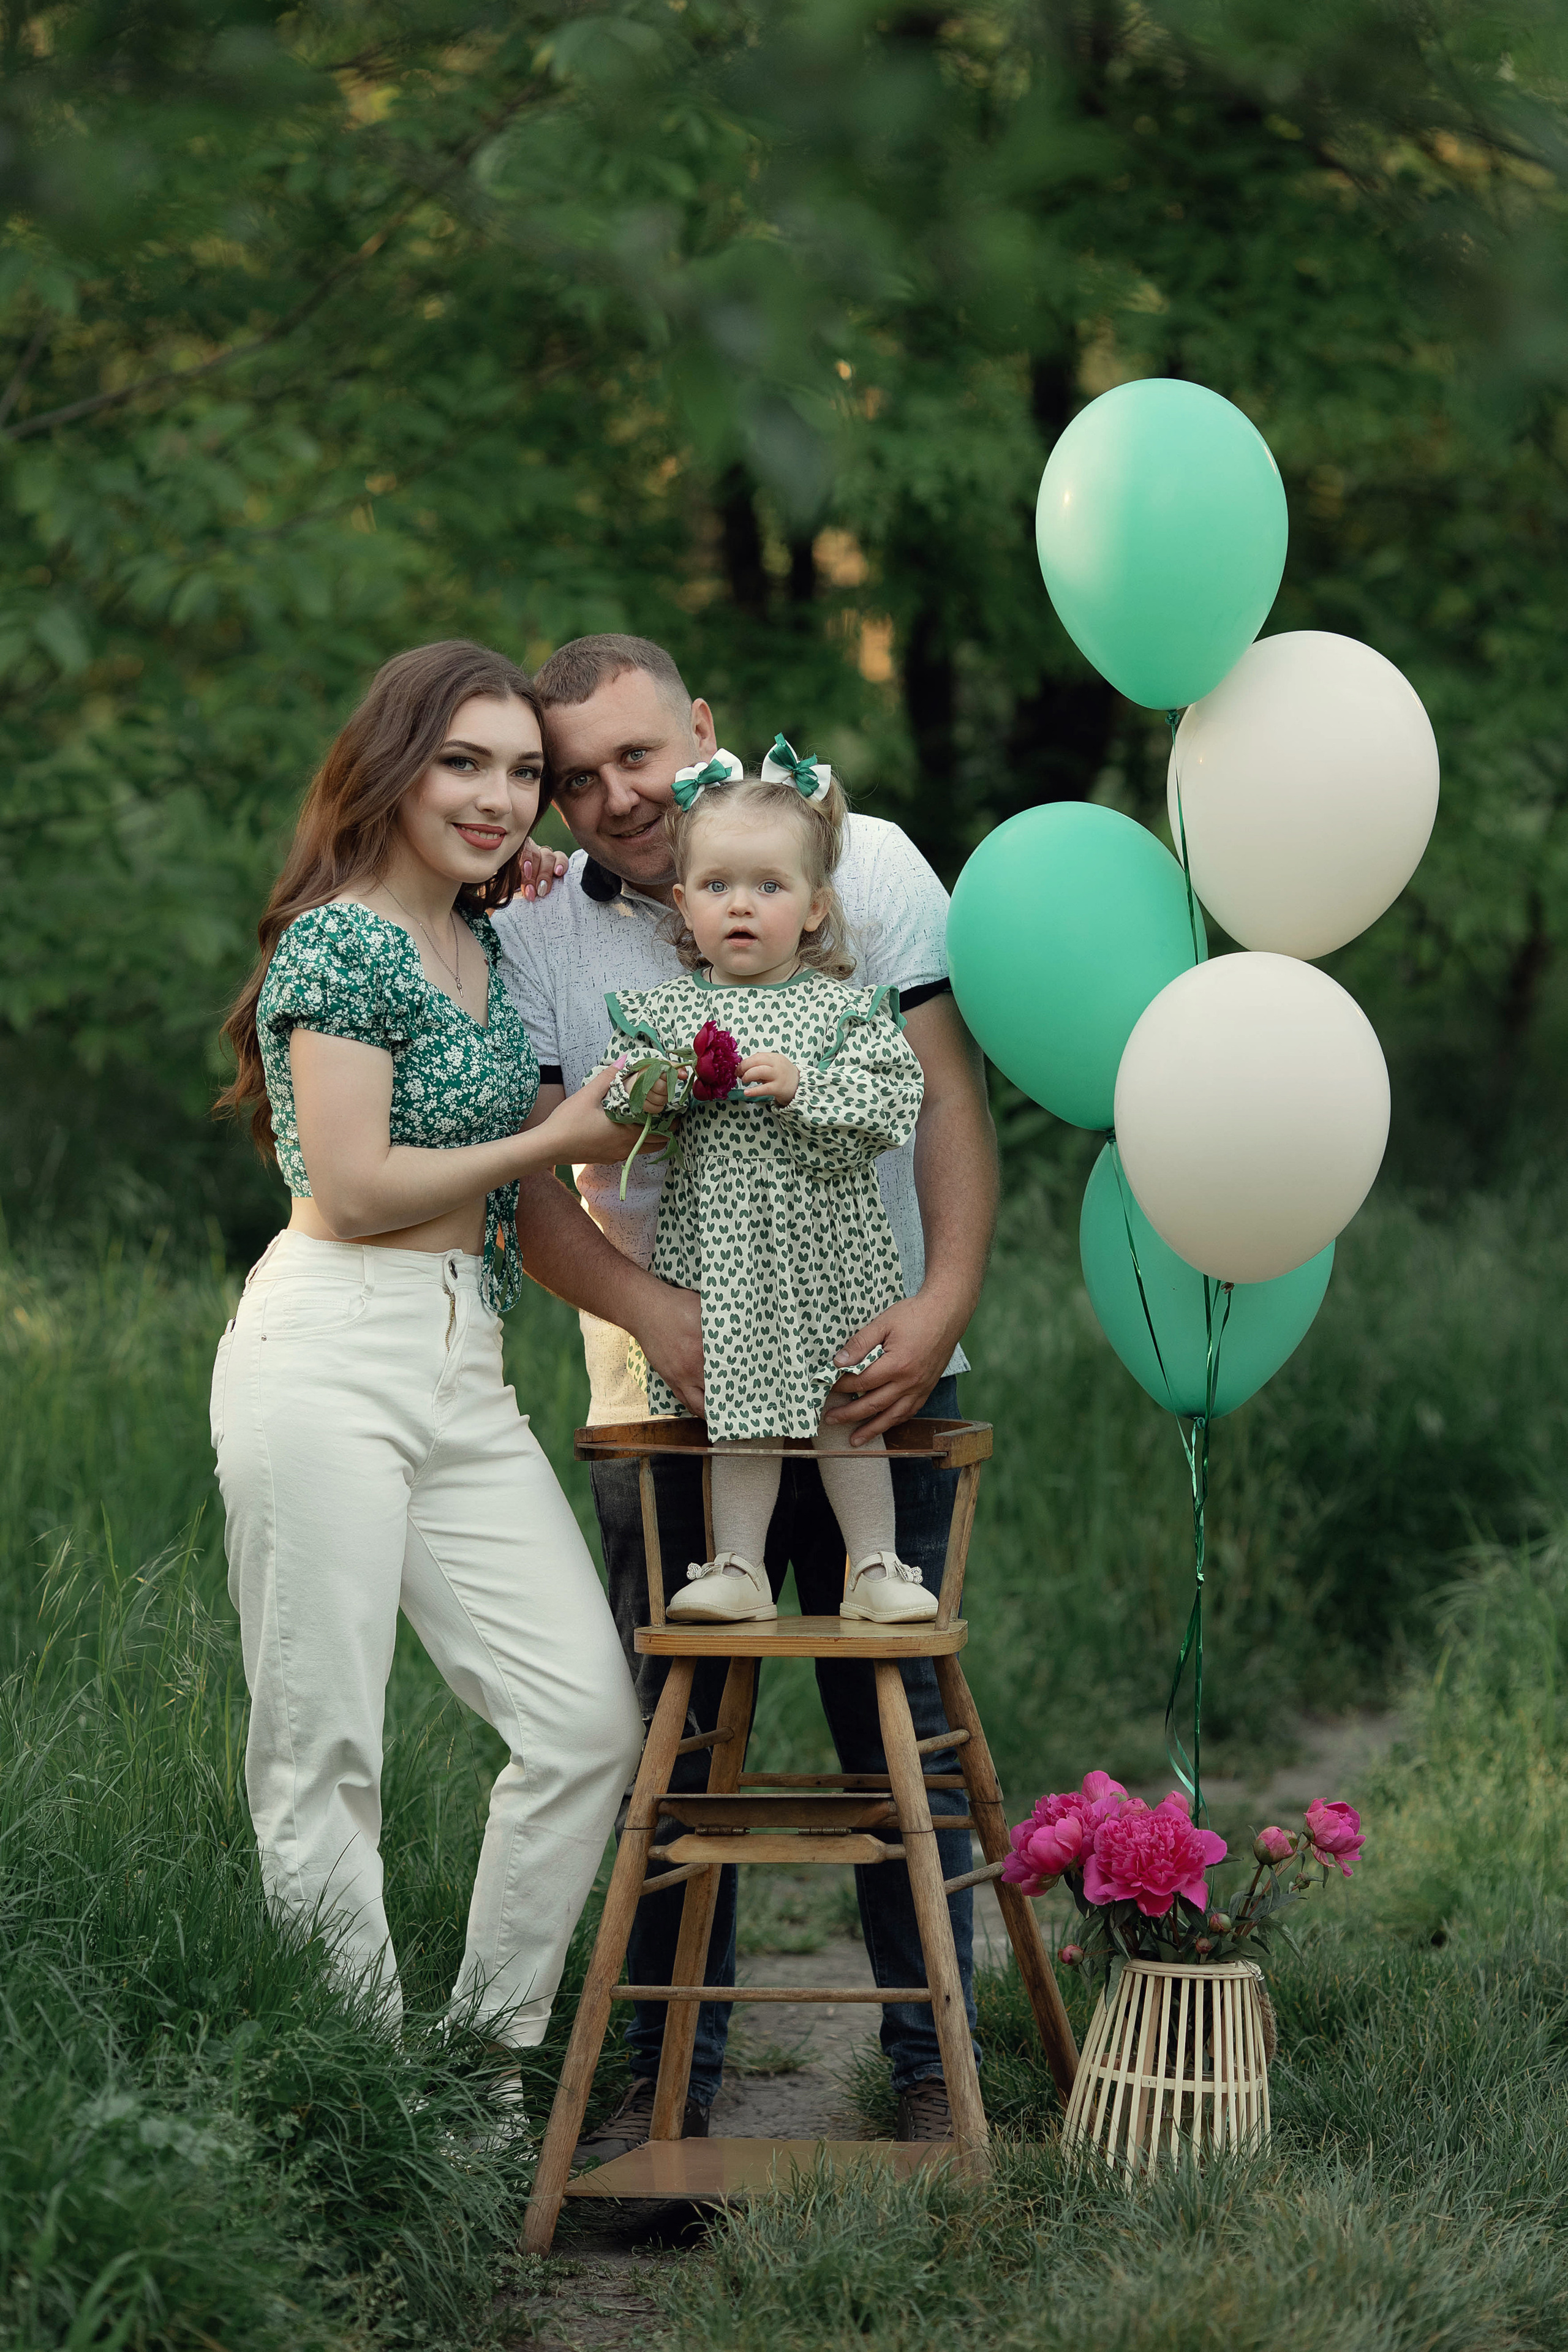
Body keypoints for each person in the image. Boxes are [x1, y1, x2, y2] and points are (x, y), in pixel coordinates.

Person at [491, 632, 998, 2154]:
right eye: (572, 778)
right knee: (676, 1733)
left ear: (700, 727)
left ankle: (927, 2072)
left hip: (870, 1357)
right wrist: (666, 1323)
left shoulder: (870, 863)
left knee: (887, 1712)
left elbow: (941, 1099)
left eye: (635, 755)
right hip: (666, 1389)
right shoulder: (542, 945)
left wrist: (942, 1305)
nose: (611, 798)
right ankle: (663, 2097)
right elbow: (536, 1201)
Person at [211, 639, 644, 2104]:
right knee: (323, 1747)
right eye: (464, 762)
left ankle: (473, 2074)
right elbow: (348, 1183)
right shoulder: (339, 945)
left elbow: (541, 1122)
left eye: (524, 773)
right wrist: (556, 1141)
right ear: (393, 762)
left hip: (465, 1356)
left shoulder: (494, 943)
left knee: (585, 1720)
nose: (501, 798)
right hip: (329, 1342)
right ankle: (359, 2104)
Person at [598, 753, 939, 1627]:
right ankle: (738, 1566)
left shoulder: (842, 1010)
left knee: (844, 1410)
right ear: (684, 905)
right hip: (724, 1254)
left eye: (768, 886)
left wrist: (805, 1087)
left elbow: (894, 1102)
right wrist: (655, 1089)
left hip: (833, 1249)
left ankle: (873, 1565)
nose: (740, 905)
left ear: (816, 906)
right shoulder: (670, 1012)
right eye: (716, 885)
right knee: (738, 1411)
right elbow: (618, 1107)